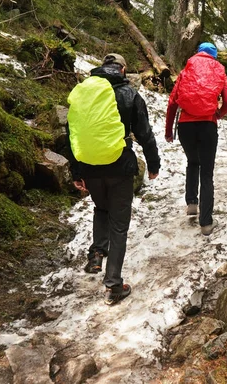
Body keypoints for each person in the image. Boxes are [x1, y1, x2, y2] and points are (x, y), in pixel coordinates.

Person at [66, 53, 160, 305]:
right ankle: (113, 285)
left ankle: (96, 254)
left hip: (90, 166)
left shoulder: (84, 93)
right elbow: (144, 133)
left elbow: (72, 133)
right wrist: (153, 163)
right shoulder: (129, 95)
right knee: (119, 225)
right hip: (119, 165)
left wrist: (77, 172)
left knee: (101, 208)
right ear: (123, 69)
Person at [165, 42, 227, 236]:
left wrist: (169, 131)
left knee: (192, 162)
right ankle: (206, 223)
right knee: (207, 173)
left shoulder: (186, 70)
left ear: (198, 53)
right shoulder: (219, 69)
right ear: (214, 56)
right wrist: (218, 114)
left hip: (185, 125)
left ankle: (192, 204)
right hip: (207, 125)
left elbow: (172, 103)